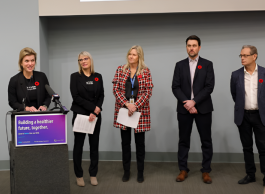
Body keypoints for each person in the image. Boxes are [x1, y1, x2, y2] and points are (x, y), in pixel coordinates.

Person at [172, 35, 215, 184]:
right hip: (184, 109)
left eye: (194, 45)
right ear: (186, 47)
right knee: (183, 141)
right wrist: (188, 104)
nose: (191, 48)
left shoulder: (207, 64)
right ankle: (183, 169)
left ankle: (206, 171)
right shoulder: (179, 65)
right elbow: (175, 87)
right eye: (189, 45)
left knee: (206, 141)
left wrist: (194, 102)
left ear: (199, 47)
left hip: (203, 109)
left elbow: (209, 87)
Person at [112, 45, 153, 183]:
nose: (131, 56)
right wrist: (127, 104)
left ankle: (140, 172)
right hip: (124, 110)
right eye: (129, 54)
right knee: (125, 143)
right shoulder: (120, 69)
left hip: (139, 112)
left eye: (134, 54)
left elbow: (148, 92)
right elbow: (116, 89)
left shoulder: (145, 71)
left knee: (140, 144)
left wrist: (135, 105)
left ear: (139, 56)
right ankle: (126, 171)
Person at [230, 45, 265, 185]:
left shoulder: (263, 73)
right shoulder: (236, 74)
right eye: (241, 56)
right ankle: (250, 175)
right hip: (243, 116)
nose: (242, 58)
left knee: (263, 148)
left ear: (254, 56)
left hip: (260, 116)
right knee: (247, 147)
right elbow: (235, 94)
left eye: (245, 55)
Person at [70, 51, 104, 187]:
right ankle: (79, 175)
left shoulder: (98, 76)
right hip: (80, 115)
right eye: (80, 60)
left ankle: (93, 174)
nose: (83, 61)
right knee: (78, 146)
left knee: (94, 146)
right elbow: (76, 97)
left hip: (95, 116)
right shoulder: (75, 77)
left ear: (90, 60)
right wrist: (93, 109)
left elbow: (101, 95)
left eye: (86, 58)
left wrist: (96, 111)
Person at [8, 47, 51, 112]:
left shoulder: (42, 76)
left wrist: (45, 106)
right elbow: (12, 102)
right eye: (26, 61)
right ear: (21, 63)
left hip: (41, 116)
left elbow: (48, 95)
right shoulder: (14, 80)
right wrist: (25, 108)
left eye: (32, 60)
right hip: (24, 119)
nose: (30, 64)